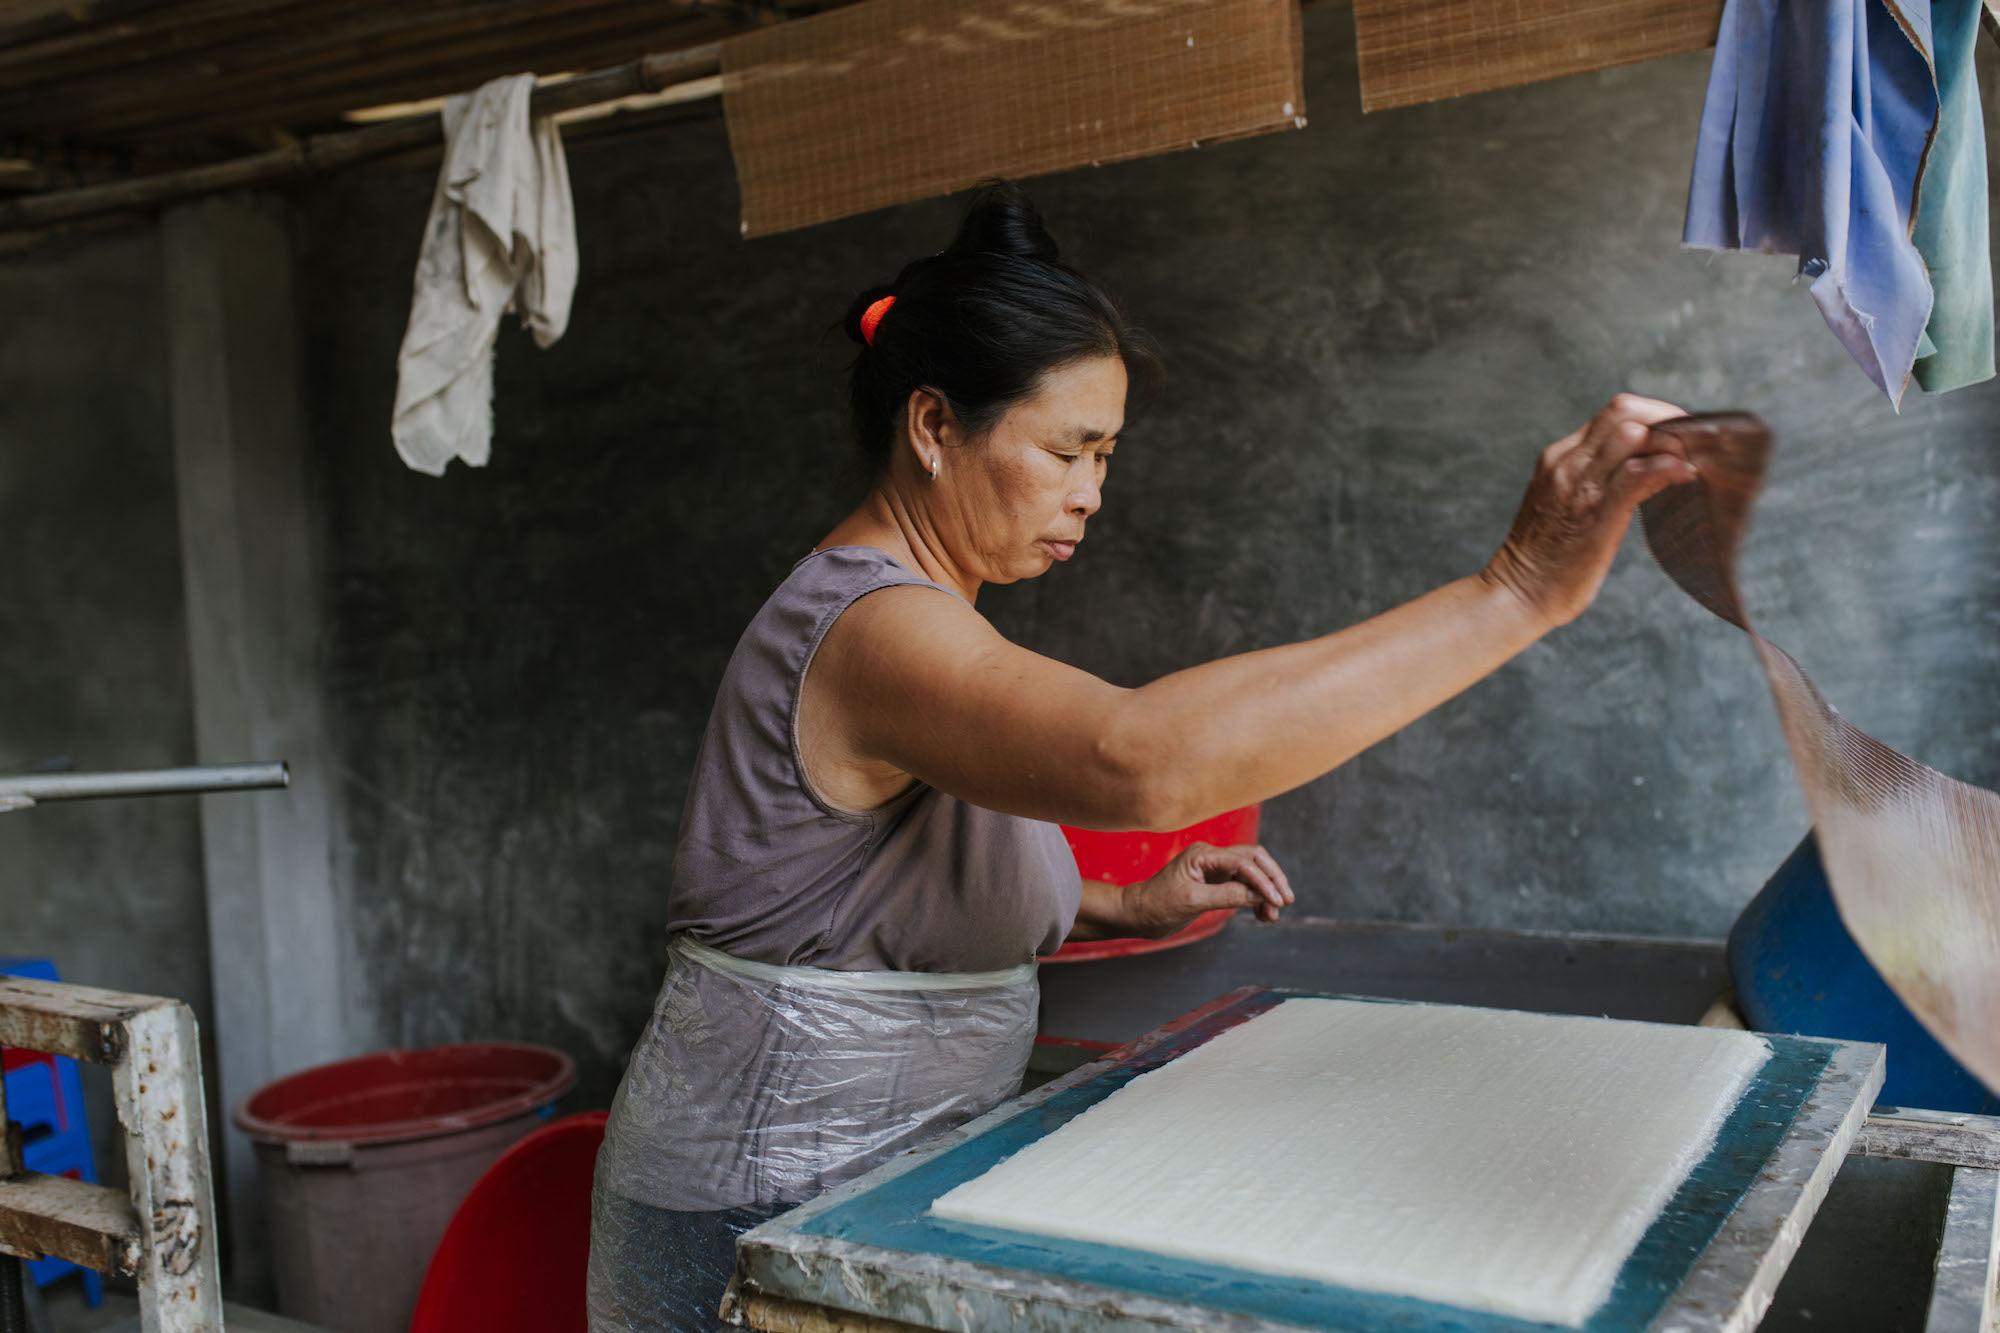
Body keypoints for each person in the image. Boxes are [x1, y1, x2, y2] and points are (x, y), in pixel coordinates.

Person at [585, 180, 1694, 1331]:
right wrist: (1509, 593)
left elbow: (854, 896)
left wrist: (1117, 899)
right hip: (748, 1213)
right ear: (930, 426)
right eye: (1068, 451)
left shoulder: (929, 616)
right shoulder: (871, 628)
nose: (1090, 495)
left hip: (856, 1189)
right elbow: (1138, 761)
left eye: (1106, 457)